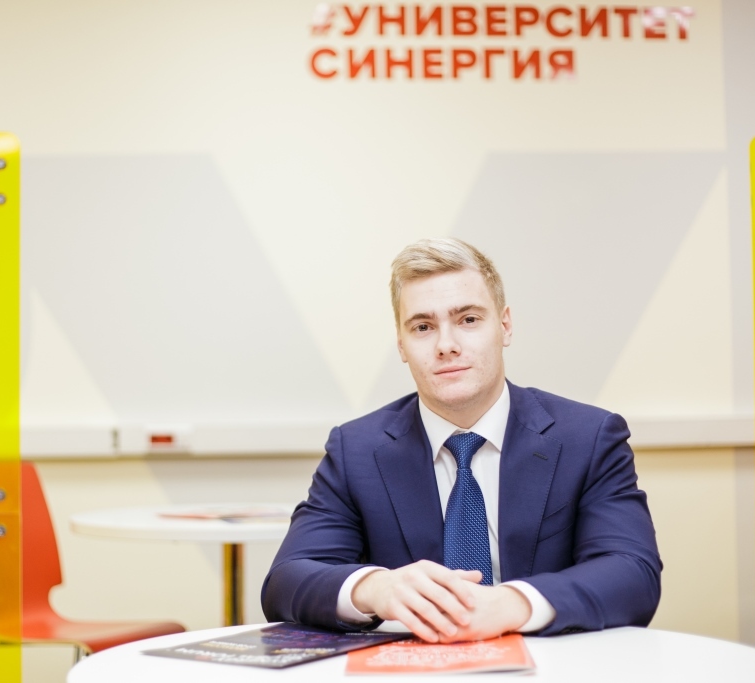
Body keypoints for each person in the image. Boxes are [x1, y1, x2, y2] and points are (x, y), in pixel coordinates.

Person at [261, 238, 662, 641]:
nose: (446, 346)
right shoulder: (357, 450)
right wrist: (375, 588)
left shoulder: (588, 437)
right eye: (422, 327)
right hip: (413, 665)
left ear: (504, 326)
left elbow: (632, 572)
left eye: (468, 320)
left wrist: (511, 604)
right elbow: (286, 580)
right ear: (401, 345)